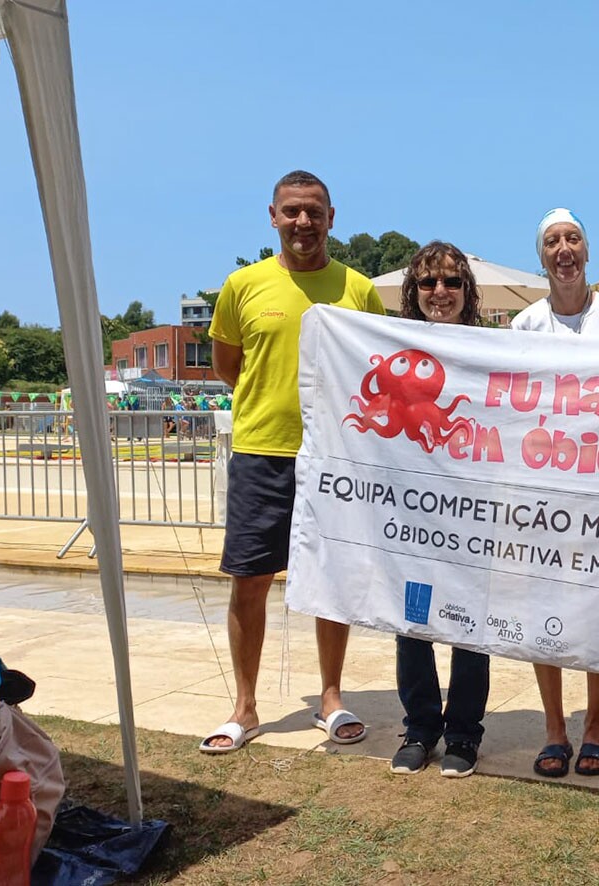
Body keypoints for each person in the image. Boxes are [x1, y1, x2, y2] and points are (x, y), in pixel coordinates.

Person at [200, 170, 385, 753]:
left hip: (335, 456)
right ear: (273, 217)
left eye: (314, 211)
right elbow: (230, 365)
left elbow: (375, 373)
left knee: (331, 583)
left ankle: (330, 697)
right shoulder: (242, 285)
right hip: (261, 452)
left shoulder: (358, 289)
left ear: (333, 217)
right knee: (249, 581)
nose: (303, 221)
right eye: (292, 211)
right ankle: (245, 707)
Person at [511, 209, 599, 779]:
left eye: (573, 239)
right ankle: (554, 728)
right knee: (545, 609)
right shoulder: (525, 327)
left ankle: (596, 726)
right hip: (544, 492)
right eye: (553, 242)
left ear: (587, 252)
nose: (564, 250)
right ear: (542, 257)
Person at [389, 241, 491, 778]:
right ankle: (420, 726)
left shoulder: (491, 350)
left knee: (470, 624)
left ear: (467, 291)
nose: (440, 292)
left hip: (473, 512)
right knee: (413, 620)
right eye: (429, 283)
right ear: (414, 291)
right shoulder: (395, 346)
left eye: (452, 282)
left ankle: (464, 733)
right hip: (414, 512)